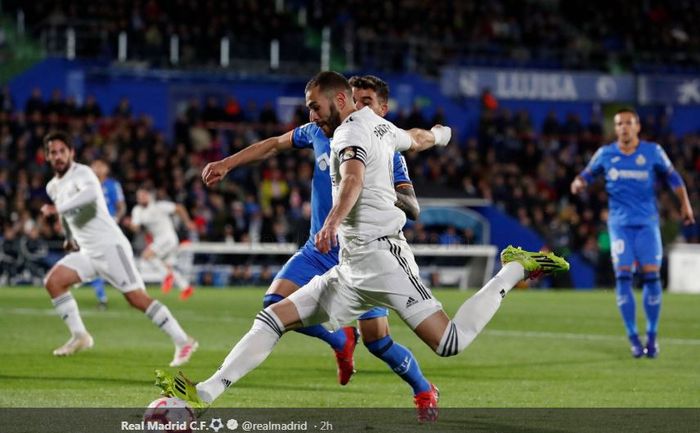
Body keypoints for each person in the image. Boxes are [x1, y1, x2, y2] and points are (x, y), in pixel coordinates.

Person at [157, 71, 568, 421]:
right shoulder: (377, 126)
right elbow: (417, 138)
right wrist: (442, 134)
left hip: (385, 259)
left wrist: (332, 222)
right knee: (274, 317)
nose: (311, 116)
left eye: (315, 108)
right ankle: (204, 395)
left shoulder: (348, 134)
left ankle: (512, 268)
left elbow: (352, 178)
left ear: (340, 100)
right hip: (350, 264)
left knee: (449, 343)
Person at [198, 74, 437, 419]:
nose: (359, 108)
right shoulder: (319, 133)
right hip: (318, 248)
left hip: (360, 257)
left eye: (367, 102)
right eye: (356, 99)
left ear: (381, 110)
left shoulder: (388, 152)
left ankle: (423, 389)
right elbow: (273, 144)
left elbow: (413, 208)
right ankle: (340, 340)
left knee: (379, 343)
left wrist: (376, 188)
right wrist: (227, 163)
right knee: (273, 304)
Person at [40, 131, 197, 366]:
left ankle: (183, 340)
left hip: (111, 247)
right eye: (54, 152)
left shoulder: (83, 173)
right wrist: (68, 237)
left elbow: (90, 195)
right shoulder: (52, 186)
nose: (58, 156)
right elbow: (67, 215)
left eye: (63, 151)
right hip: (87, 251)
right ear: (47, 156)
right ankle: (80, 336)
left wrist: (58, 209)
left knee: (136, 299)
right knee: (54, 282)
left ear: (71, 152)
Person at [570, 108, 694, 358]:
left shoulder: (653, 152)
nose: (624, 127)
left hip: (647, 225)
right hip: (620, 226)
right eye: (619, 124)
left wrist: (685, 203)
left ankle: (652, 335)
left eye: (629, 123)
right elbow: (586, 174)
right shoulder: (605, 154)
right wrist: (578, 182)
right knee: (624, 277)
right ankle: (633, 337)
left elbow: (673, 177)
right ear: (615, 129)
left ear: (637, 127)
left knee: (651, 277)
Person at [128, 187, 196, 301]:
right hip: (159, 240)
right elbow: (135, 226)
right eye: (139, 196)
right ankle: (186, 288)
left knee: (146, 256)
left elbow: (179, 208)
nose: (142, 198)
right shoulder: (137, 210)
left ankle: (167, 276)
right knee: (167, 266)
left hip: (168, 238)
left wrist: (187, 222)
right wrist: (132, 226)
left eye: (144, 195)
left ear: (149, 196)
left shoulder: (159, 206)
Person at [87, 159, 127, 310]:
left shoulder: (112, 185)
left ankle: (133, 291)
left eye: (100, 165)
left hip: (109, 229)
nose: (96, 168)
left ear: (106, 169)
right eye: (94, 165)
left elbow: (121, 206)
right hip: (92, 229)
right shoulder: (86, 185)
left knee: (114, 263)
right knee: (93, 261)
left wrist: (116, 218)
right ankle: (102, 298)